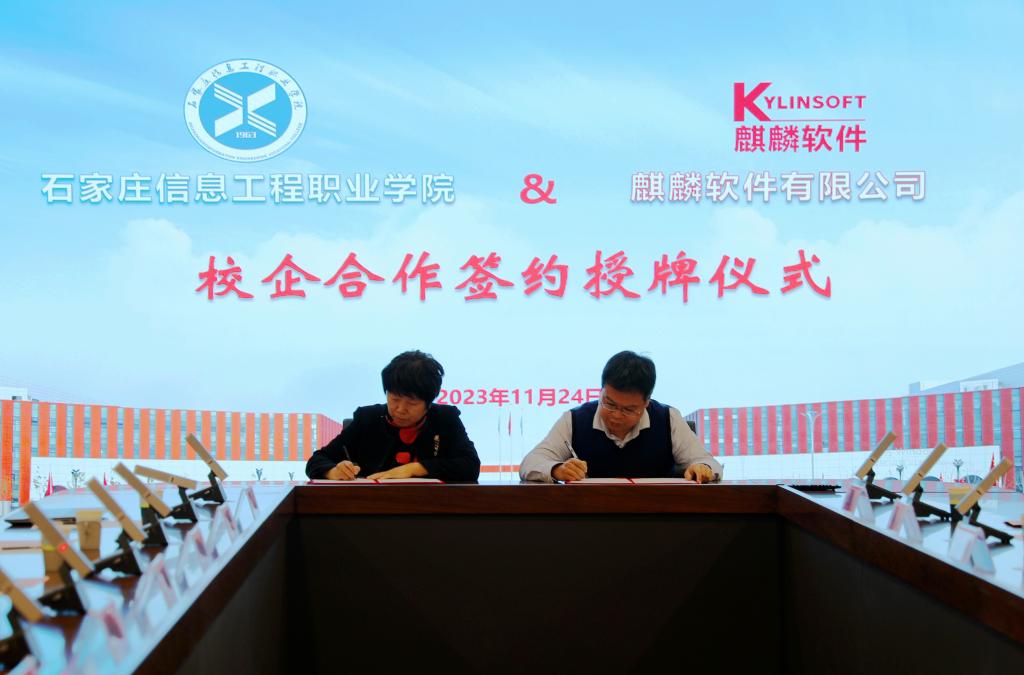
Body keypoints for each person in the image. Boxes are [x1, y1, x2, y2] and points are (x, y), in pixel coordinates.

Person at [519, 351, 722, 483]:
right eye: (609, 403)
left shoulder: (668, 418)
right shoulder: (575, 419)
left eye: (628, 409)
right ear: (601, 391)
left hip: (659, 517)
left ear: (646, 403)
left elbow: (708, 462)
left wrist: (702, 468)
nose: (616, 415)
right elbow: (531, 462)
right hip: (589, 517)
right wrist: (557, 469)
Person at [306, 351, 481, 482]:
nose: (400, 409)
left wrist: (415, 469)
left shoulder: (445, 419)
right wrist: (332, 471)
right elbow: (317, 460)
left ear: (428, 403)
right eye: (394, 399)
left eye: (411, 403)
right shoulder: (368, 419)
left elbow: (470, 466)